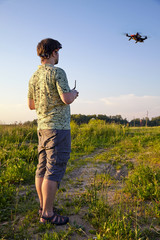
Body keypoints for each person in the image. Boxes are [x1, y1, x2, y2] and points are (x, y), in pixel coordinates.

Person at [28, 38, 79, 225]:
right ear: (54, 52)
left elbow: (31, 105)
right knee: (54, 170)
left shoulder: (33, 76)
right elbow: (66, 99)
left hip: (42, 129)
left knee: (41, 169)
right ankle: (48, 214)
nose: (59, 55)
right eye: (58, 52)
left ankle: (43, 207)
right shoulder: (58, 72)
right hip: (58, 129)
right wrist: (74, 93)